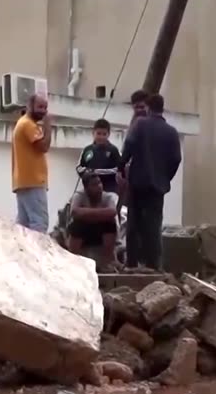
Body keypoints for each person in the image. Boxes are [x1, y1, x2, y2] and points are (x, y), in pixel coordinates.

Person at [120, 93, 181, 269]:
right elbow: (176, 159)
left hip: (138, 182)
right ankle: (154, 265)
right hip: (157, 186)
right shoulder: (171, 132)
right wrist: (165, 176)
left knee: (134, 222)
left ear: (148, 107)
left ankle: (132, 263)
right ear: (162, 108)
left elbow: (129, 146)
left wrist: (121, 167)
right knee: (154, 225)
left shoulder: (140, 125)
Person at [11, 94, 52, 232]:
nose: (43, 111)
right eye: (40, 107)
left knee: (23, 226)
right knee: (39, 223)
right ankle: (35, 253)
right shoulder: (28, 124)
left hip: (23, 182)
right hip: (33, 181)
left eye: (45, 107)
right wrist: (48, 126)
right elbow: (44, 147)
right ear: (30, 106)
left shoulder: (23, 123)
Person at [67, 171, 119, 270]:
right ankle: (72, 262)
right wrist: (101, 214)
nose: (99, 186)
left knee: (110, 224)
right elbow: (74, 212)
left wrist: (87, 214)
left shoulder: (107, 196)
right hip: (84, 231)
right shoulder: (79, 195)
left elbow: (112, 212)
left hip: (101, 231)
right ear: (86, 188)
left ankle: (108, 262)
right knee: (76, 226)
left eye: (100, 183)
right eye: (94, 184)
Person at [77, 118, 122, 194]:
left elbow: (118, 169)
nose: (101, 137)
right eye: (98, 133)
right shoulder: (87, 150)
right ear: (93, 133)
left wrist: (95, 171)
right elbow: (79, 168)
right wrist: (87, 172)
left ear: (109, 134)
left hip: (109, 190)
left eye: (104, 134)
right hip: (90, 190)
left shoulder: (113, 150)